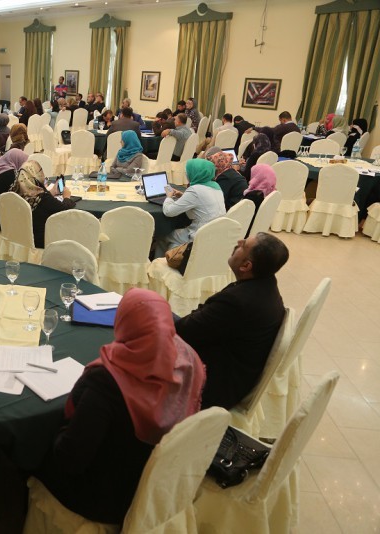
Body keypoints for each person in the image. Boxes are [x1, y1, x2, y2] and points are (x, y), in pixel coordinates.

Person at [38, 288, 205, 525]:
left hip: (103, 498)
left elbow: (70, 460)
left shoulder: (108, 380)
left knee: (31, 447)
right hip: (155, 487)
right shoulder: (188, 360)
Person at [175, 232, 288, 409]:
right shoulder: (267, 285)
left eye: (244, 245)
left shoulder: (237, 301)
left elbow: (182, 331)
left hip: (213, 385)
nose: (239, 241)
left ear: (246, 266)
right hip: (235, 371)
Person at [155, 159, 226, 256]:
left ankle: (160, 261)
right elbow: (201, 201)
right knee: (173, 243)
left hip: (198, 235)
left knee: (162, 234)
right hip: (216, 234)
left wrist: (169, 197)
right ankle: (174, 256)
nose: (187, 174)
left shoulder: (195, 190)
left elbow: (169, 212)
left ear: (195, 173)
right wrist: (183, 195)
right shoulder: (216, 186)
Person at [12, 160, 76, 248]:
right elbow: (65, 209)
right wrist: (66, 196)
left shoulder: (16, 191)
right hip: (40, 241)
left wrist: (51, 192)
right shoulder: (43, 198)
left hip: (20, 238)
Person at [242, 164, 277, 235]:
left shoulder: (253, 196)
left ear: (257, 177)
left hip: (245, 230)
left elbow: (243, 215)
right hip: (257, 231)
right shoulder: (271, 192)